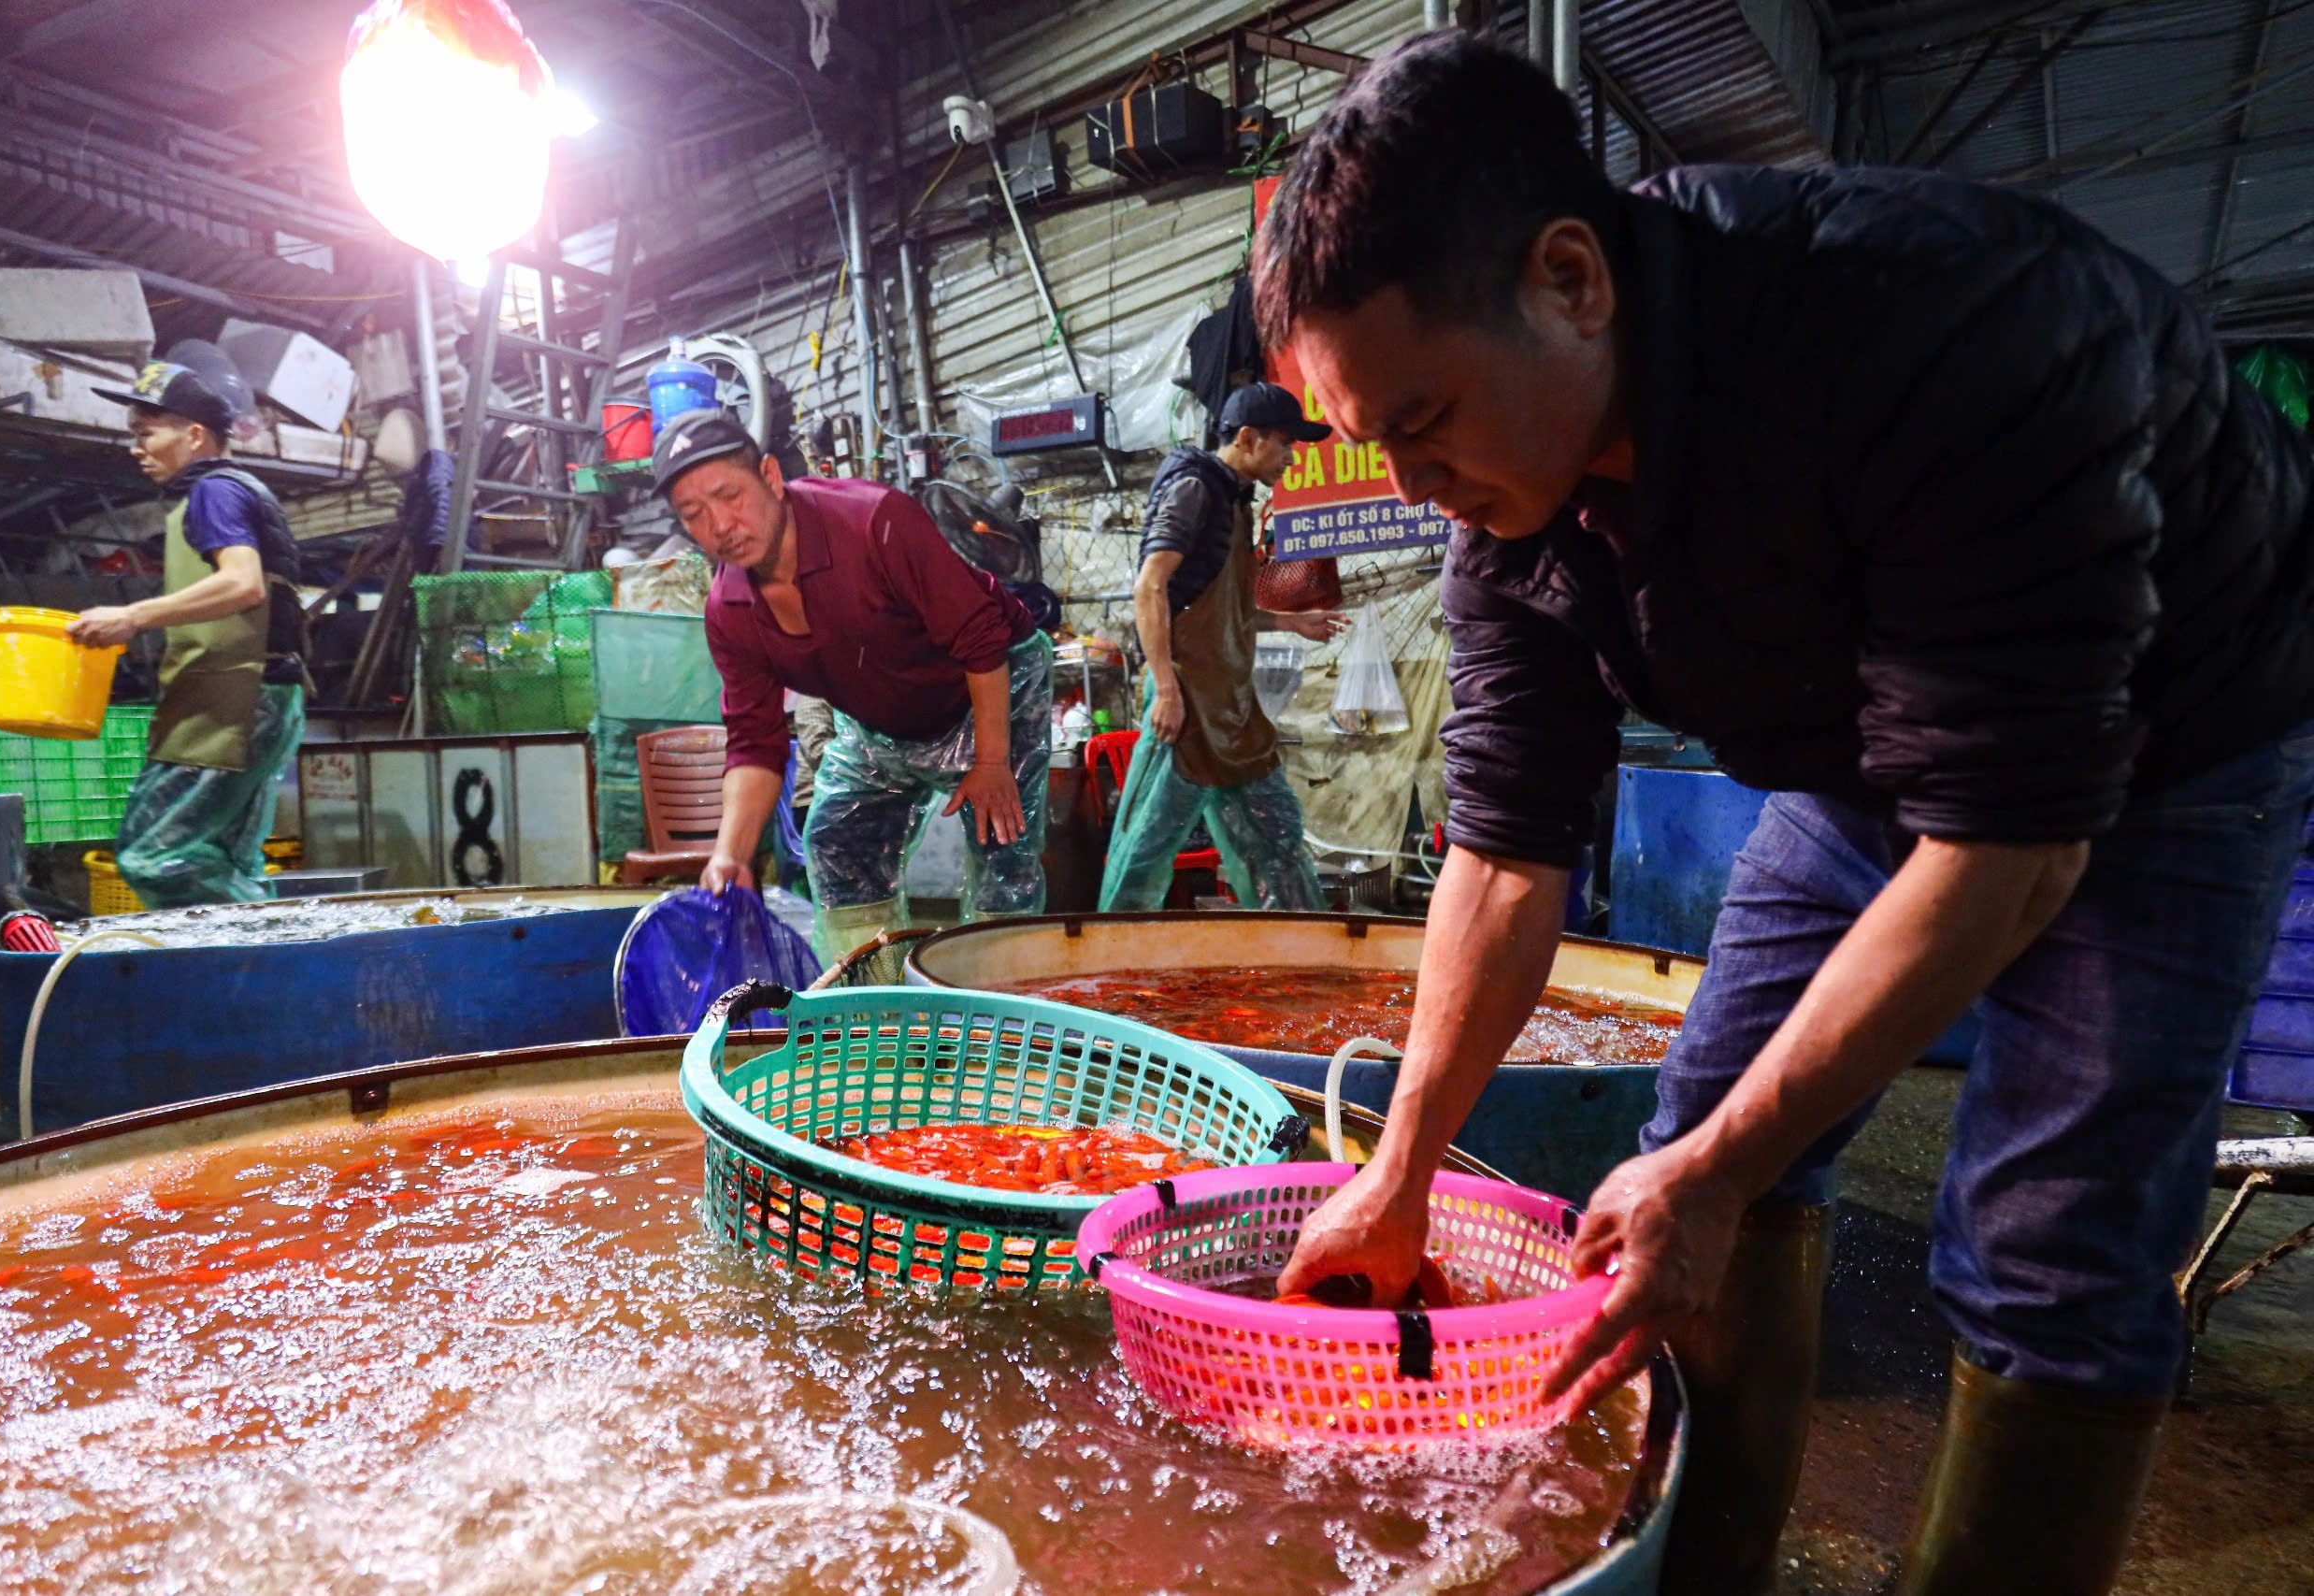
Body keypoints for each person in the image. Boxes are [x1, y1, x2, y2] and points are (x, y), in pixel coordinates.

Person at [1254, 32, 2314, 1596]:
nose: (1410, 481)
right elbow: (1502, 847)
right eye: (1375, 439)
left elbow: (2013, 850)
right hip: (1876, 754)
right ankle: (1706, 1569)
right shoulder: (1510, 507)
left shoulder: (1944, 330)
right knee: (1684, 1157)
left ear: (1571, 278)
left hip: (2179, 738)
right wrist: (1401, 1170)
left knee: (2044, 1245)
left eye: (1424, 419)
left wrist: (1728, 1170)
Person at [649, 410, 1050, 963]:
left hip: (987, 684)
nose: (720, 526)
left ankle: (999, 1025)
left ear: (769, 475)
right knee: (838, 840)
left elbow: (981, 640)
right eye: (693, 514)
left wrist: (991, 764)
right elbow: (754, 740)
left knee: (1002, 848)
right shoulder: (729, 611)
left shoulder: (874, 522)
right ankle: (872, 1025)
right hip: (881, 722)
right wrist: (730, 855)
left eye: (729, 495)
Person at [1100, 382, 1346, 912]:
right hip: (1187, 709)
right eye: (1285, 444)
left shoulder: (1235, 497)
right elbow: (1151, 586)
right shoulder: (1195, 488)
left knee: (1276, 839)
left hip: (1233, 710)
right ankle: (1105, 965)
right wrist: (1165, 688)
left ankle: (1303, 954)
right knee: (1145, 848)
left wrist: (1289, 621)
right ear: (1249, 438)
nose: (1290, 457)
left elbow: (1220, 608)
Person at [71, 359, 307, 907]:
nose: (136, 447)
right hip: (263, 696)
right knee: (228, 858)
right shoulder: (232, 491)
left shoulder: (214, 493)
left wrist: (131, 618)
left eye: (146, 433)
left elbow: (242, 584)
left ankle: (251, 953)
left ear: (194, 434)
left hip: (234, 698)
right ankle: (268, 976)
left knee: (151, 856)